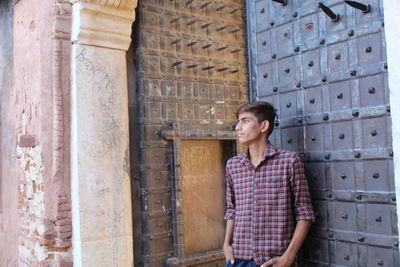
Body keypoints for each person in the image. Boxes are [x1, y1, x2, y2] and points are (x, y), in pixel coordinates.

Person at [223, 101, 315, 267]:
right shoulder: (233, 165)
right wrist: (226, 245)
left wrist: (288, 257)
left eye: (245, 121)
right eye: (238, 121)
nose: (238, 127)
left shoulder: (289, 161)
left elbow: (305, 213)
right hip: (238, 259)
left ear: (263, 125)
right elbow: (232, 209)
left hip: (274, 260)